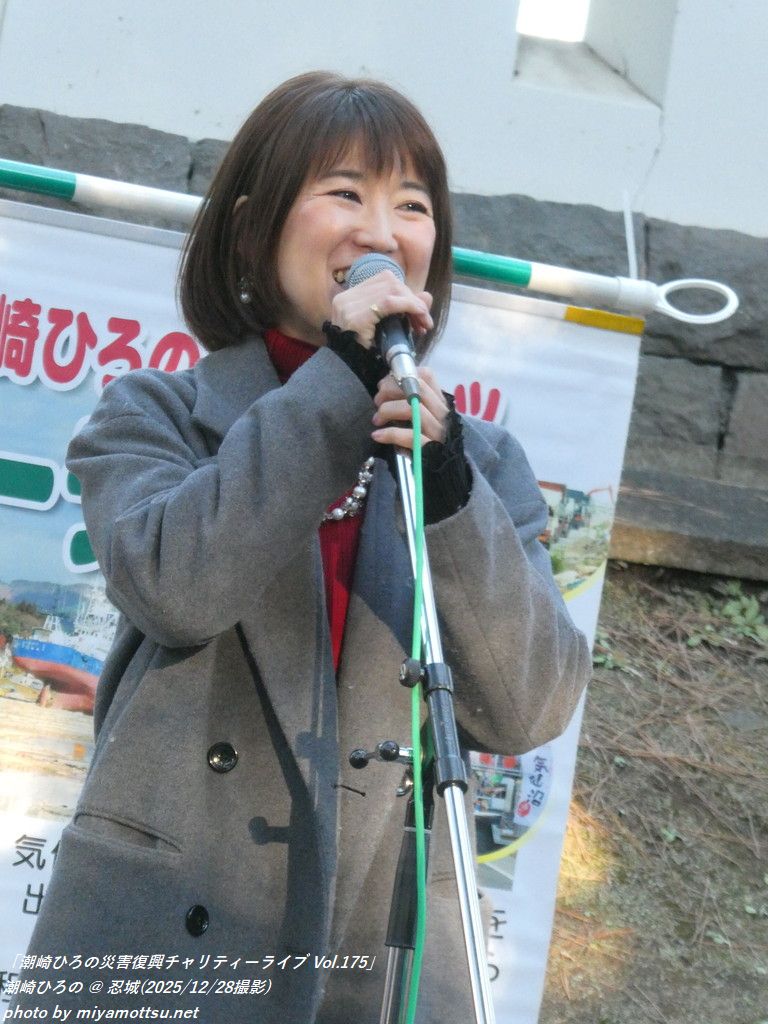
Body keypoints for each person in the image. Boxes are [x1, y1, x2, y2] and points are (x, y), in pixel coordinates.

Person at [13, 71, 590, 1023]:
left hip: (377, 944)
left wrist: (448, 486)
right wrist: (340, 379)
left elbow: (529, 706)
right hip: (159, 939)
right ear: (254, 231)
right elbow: (175, 585)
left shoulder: (479, 463)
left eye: (412, 205)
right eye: (346, 192)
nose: (382, 231)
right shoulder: (156, 414)